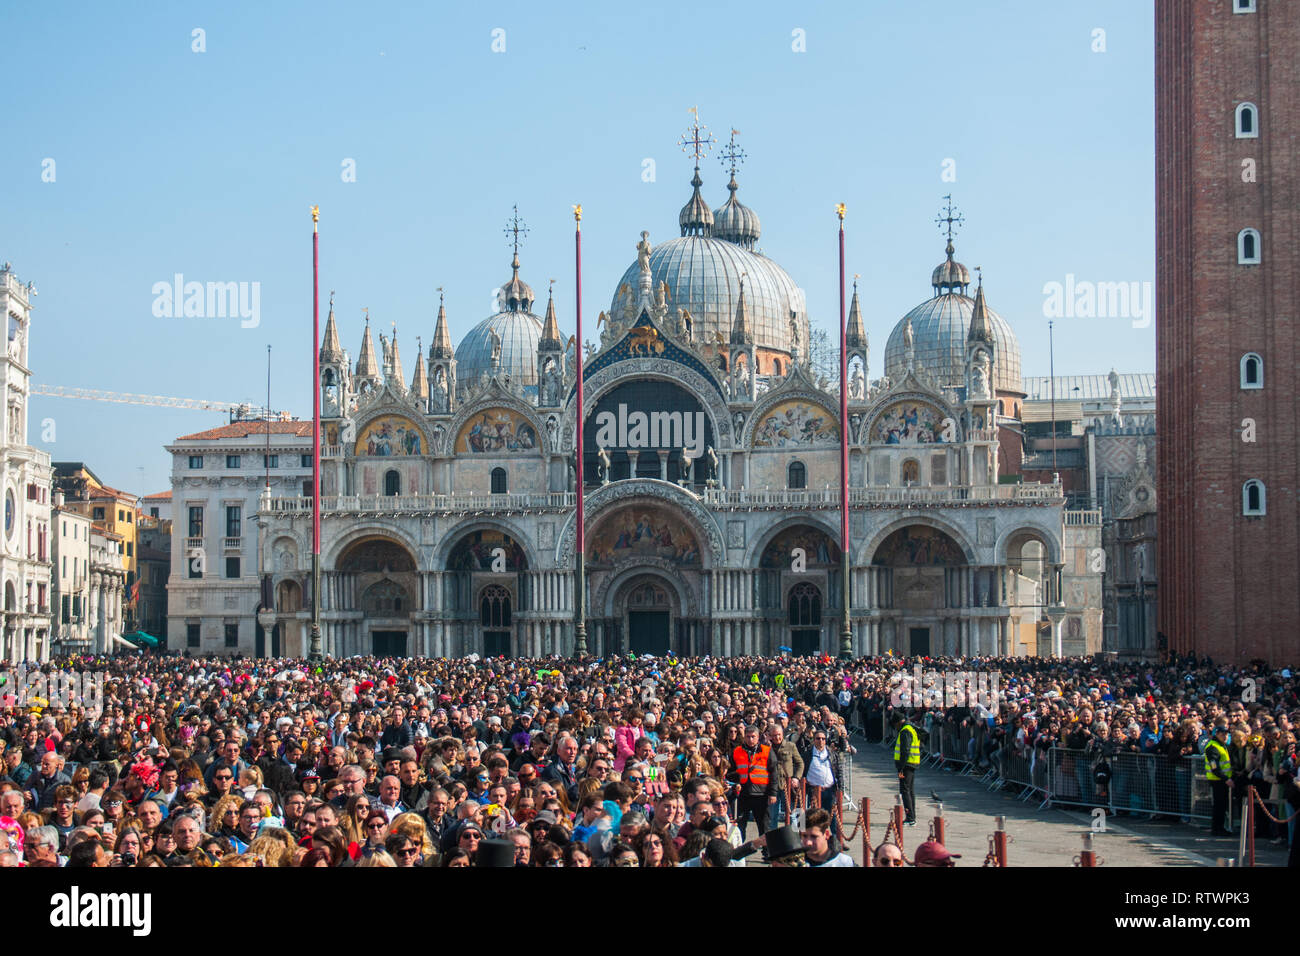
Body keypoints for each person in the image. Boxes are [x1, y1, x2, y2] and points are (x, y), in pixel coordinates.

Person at [729, 724, 776, 841]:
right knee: (739, 825)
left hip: (761, 794)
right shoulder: (737, 751)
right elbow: (730, 771)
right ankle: (739, 850)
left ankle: (767, 853)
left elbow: (774, 773)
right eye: (748, 737)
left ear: (758, 737)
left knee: (764, 826)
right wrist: (735, 782)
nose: (750, 739)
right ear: (744, 737)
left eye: (753, 737)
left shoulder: (767, 751)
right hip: (742, 794)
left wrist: (773, 793)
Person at [894, 711, 922, 826]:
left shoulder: (905, 731)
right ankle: (911, 816)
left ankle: (910, 817)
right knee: (910, 790)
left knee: (905, 790)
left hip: (906, 766)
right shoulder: (911, 729)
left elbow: (905, 750)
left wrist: (900, 767)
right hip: (911, 764)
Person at [1205, 724, 1233, 836]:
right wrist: (1226, 779)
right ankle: (1217, 828)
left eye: (1226, 734)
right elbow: (1214, 767)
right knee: (1219, 805)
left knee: (1221, 805)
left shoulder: (1221, 745)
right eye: (1222, 734)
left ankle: (1219, 827)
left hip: (1222, 779)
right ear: (1216, 734)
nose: (1225, 736)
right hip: (1218, 780)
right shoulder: (1213, 747)